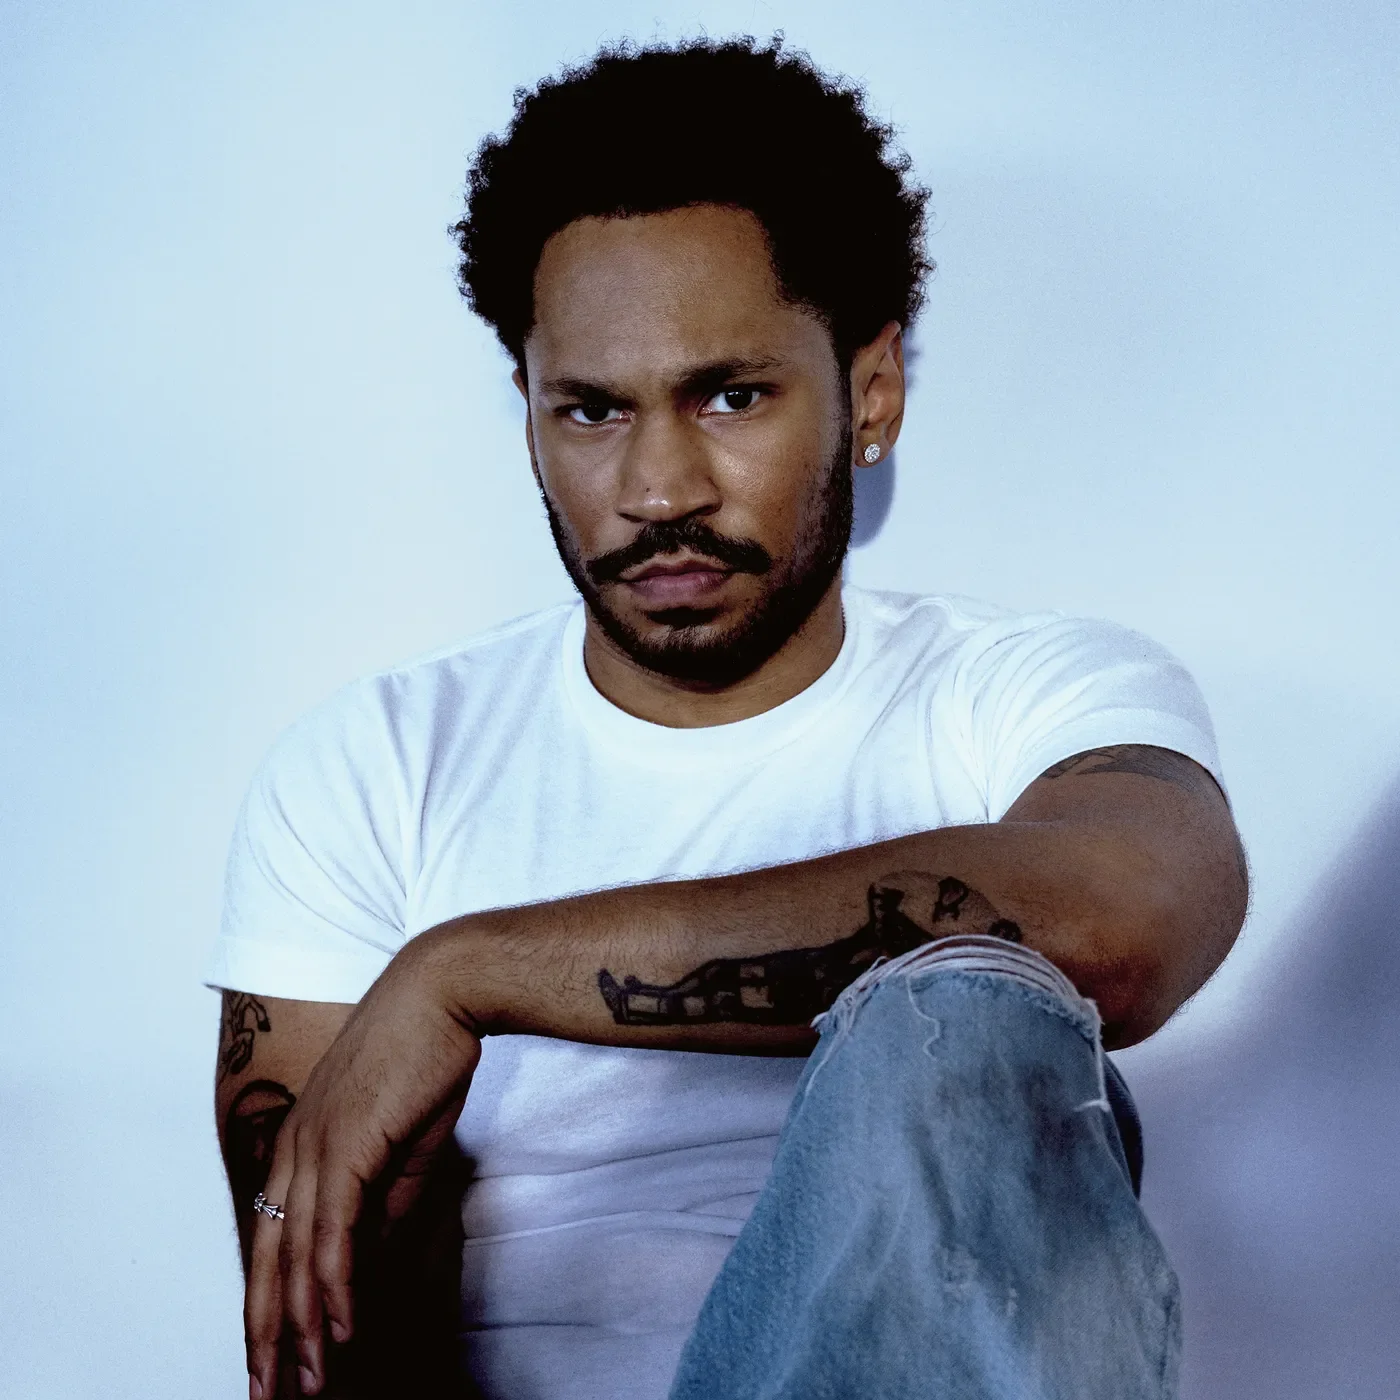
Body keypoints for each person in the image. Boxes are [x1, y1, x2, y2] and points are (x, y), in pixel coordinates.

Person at [210, 36, 1247, 1400]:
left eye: (730, 395)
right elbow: (317, 1336)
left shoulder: (1028, 694)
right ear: (528, 412)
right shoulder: (373, 765)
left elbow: (1128, 920)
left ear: (868, 396)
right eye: (590, 410)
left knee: (967, 1018)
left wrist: (470, 970)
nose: (658, 487)